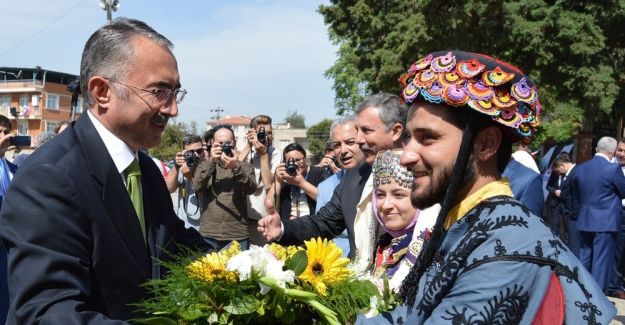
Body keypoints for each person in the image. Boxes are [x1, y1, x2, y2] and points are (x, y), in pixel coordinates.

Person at [360, 50, 615, 324]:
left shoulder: (509, 247)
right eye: (410, 138)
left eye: (427, 138)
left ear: (485, 145)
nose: (407, 155)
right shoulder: (465, 221)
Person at [0, 18, 209, 323]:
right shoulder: (48, 178)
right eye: (159, 92)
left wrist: (255, 267)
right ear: (101, 92)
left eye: (176, 93)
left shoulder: (145, 170)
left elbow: (175, 245)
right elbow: (46, 312)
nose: (173, 109)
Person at [259, 93, 407, 273]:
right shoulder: (354, 178)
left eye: (366, 131)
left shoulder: (422, 174)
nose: (359, 140)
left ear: (396, 131)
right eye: (357, 131)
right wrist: (281, 228)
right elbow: (322, 223)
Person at [370, 149, 437, 292]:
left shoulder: (434, 253)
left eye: (399, 195)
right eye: (380, 195)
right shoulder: (382, 244)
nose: (386, 205)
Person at [572, 136, 625, 292]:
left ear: (597, 149)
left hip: (585, 219)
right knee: (601, 263)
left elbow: (575, 194)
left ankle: (581, 293)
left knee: (584, 258)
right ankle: (597, 300)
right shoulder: (612, 169)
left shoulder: (581, 168)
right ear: (613, 151)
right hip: (606, 222)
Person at [192, 125, 257, 251]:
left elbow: (251, 189)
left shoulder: (244, 166)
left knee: (239, 271)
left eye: (228, 143)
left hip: (237, 234)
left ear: (234, 143)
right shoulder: (204, 165)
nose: (224, 146)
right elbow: (197, 186)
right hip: (209, 234)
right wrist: (212, 161)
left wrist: (236, 167)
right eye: (220, 143)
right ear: (213, 143)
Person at [316, 116, 365, 256]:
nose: (343, 150)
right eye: (337, 145)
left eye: (350, 142)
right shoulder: (325, 187)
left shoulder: (379, 178)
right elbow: (321, 228)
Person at [238, 115, 281, 246]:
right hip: (244, 216)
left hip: (263, 218)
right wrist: (248, 145)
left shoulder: (275, 153)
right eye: (261, 133)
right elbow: (233, 168)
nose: (266, 136)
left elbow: (269, 184)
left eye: (269, 133)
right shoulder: (248, 151)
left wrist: (263, 155)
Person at [266, 143, 326, 220]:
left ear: (305, 158)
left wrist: (301, 183)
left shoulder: (318, 173)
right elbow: (269, 206)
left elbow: (326, 199)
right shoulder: (284, 178)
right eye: (290, 162)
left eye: (298, 160)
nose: (295, 164)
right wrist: (277, 181)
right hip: (289, 227)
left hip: (314, 227)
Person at [165, 134, 208, 230]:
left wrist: (189, 177)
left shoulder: (209, 167)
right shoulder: (182, 168)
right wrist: (176, 167)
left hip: (206, 228)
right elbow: (168, 189)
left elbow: (206, 195)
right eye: (191, 152)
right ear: (183, 153)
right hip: (185, 227)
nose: (196, 155)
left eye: (199, 151)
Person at [0, 115, 18, 324]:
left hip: (9, 254)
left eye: (7, 132)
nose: (6, 137)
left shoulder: (15, 171)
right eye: (1, 132)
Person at [550, 153, 580, 256]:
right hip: (564, 208)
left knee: (573, 243)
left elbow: (576, 196)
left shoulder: (576, 173)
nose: (559, 174)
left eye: (558, 170)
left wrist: (572, 214)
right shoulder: (570, 173)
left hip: (573, 214)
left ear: (562, 165)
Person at [608, 138, 625, 298]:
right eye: (619, 150)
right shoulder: (609, 168)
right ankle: (615, 287)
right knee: (617, 252)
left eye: (624, 151)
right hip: (616, 215)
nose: (621, 154)